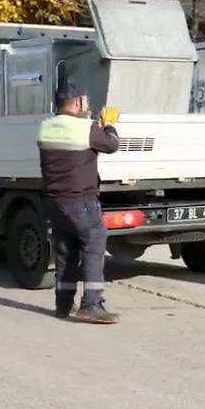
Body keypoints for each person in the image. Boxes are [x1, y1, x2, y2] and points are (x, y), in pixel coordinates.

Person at [36, 81, 120, 323]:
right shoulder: (86, 129)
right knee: (94, 243)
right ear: (78, 102)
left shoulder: (46, 127)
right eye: (84, 101)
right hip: (81, 200)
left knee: (66, 251)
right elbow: (111, 144)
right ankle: (91, 304)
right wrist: (109, 125)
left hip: (55, 201)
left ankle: (63, 304)